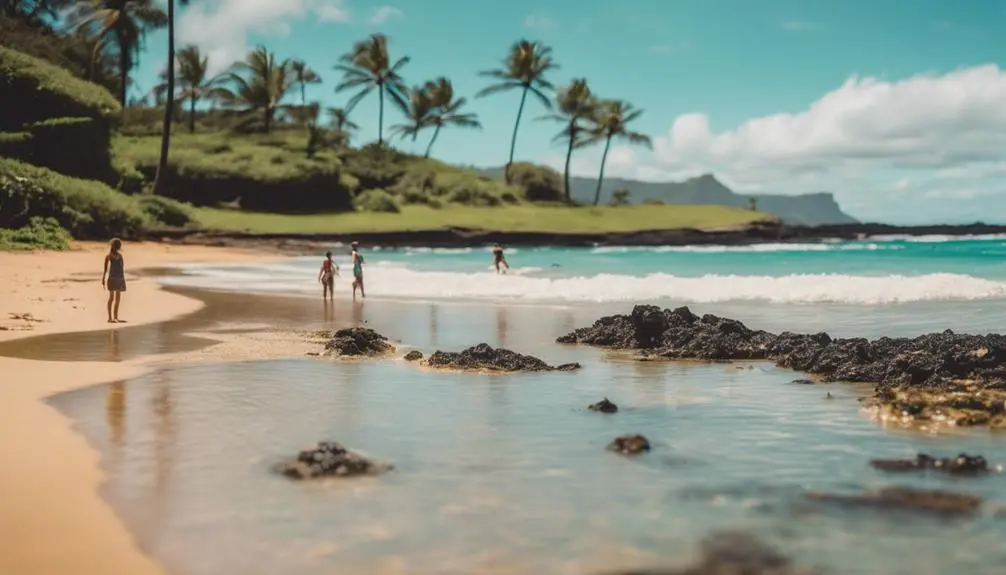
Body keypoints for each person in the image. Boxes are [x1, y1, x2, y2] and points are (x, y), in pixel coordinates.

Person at [101, 238, 126, 323]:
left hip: (116, 279)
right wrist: (103, 279)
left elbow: (121, 268)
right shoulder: (109, 256)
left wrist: (103, 279)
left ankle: (114, 317)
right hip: (114, 279)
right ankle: (111, 317)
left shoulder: (115, 256)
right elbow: (106, 269)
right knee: (113, 299)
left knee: (115, 299)